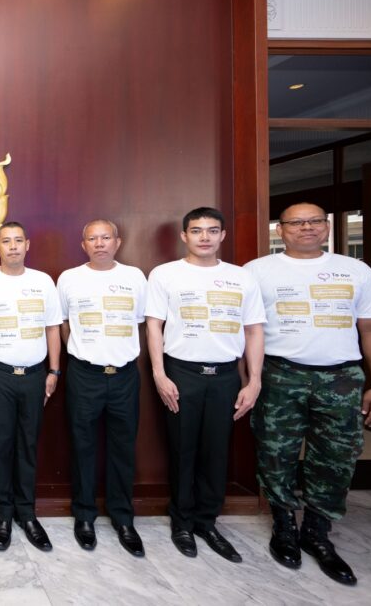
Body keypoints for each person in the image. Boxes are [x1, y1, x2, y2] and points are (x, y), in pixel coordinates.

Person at [245, 203, 371, 586]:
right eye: (296, 222)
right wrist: (250, 378)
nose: (306, 228)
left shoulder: (355, 270)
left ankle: (317, 531)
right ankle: (284, 526)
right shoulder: (257, 271)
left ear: (326, 227)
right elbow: (247, 329)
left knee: (336, 456)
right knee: (275, 451)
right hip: (280, 373)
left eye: (314, 221)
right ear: (280, 230)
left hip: (341, 377)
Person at [145, 206, 264, 563]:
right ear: (184, 236)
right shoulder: (165, 274)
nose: (205, 237)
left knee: (216, 450)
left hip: (226, 375)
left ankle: (207, 522)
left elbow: (253, 330)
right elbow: (154, 326)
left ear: (222, 235)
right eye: (197, 231)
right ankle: (182, 522)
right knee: (182, 449)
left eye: (212, 230)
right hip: (182, 372)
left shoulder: (241, 278)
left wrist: (254, 380)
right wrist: (159, 373)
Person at [56, 219, 147, 557]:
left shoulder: (134, 277)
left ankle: (123, 518)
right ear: (84, 245)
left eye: (105, 237)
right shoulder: (69, 278)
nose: (99, 244)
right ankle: (84, 516)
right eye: (92, 239)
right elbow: (64, 324)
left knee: (123, 446)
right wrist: (82, 353)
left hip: (124, 375)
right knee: (82, 446)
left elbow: (140, 322)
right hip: (84, 374)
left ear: (117, 242)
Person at [0, 221, 60, 553]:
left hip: (35, 375)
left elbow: (52, 327)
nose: (13, 246)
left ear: (27, 244)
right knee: (1, 444)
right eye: (6, 241)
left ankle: (27, 513)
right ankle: (3, 515)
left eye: (18, 240)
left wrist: (54, 370)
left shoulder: (42, 281)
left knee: (28, 444)